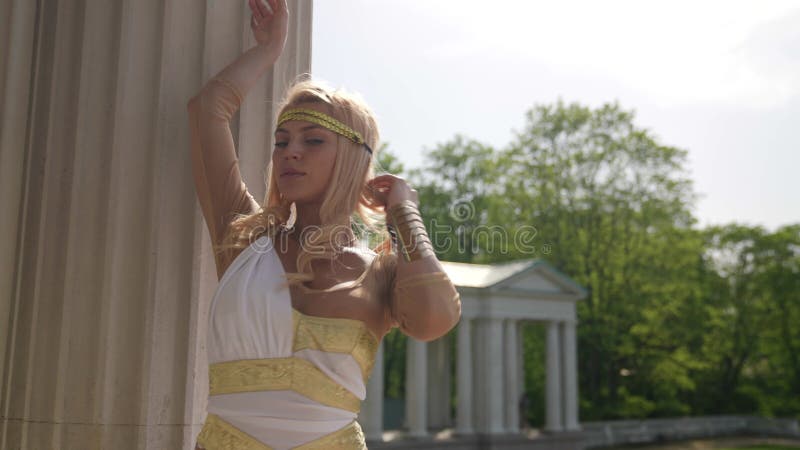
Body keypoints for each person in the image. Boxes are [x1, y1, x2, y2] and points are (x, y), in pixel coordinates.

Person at [186, 0, 462, 448]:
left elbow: (434, 319)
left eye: (313, 140)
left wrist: (405, 213)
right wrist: (269, 50)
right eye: (281, 142)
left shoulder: (383, 272)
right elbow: (207, 111)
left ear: (353, 158)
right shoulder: (244, 238)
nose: (290, 152)